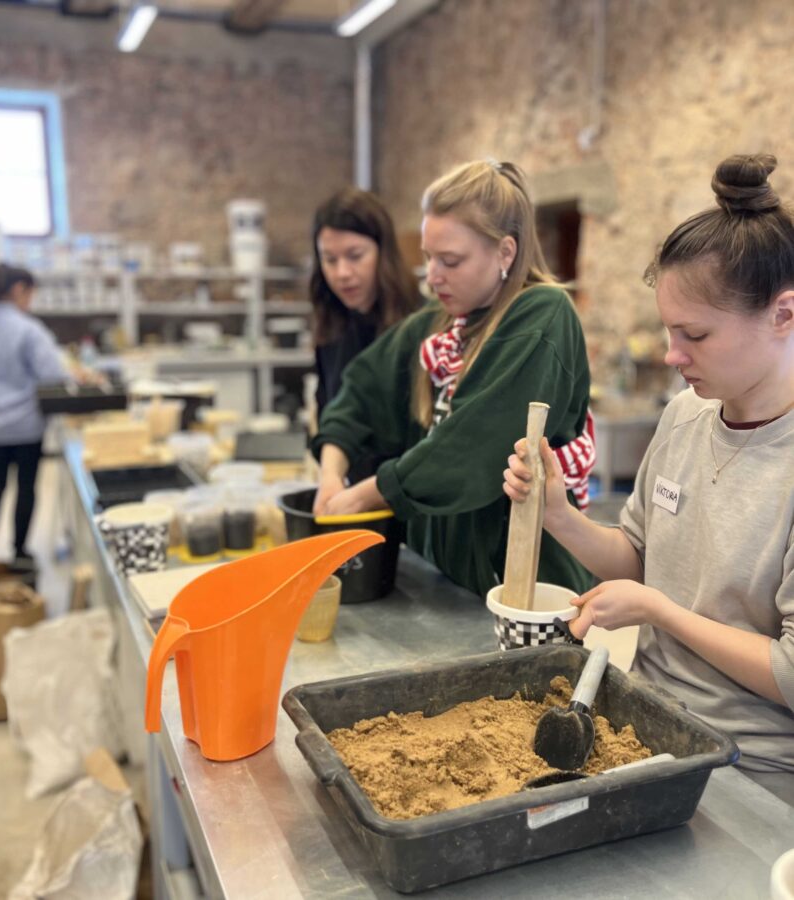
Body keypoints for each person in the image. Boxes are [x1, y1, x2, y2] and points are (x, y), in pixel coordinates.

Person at [504, 153, 794, 781]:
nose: (671, 355)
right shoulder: (686, 414)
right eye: (668, 332)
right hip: (646, 722)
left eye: (696, 336)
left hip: (752, 764)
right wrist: (558, 515)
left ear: (783, 314)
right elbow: (639, 558)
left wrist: (660, 611)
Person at [313, 159, 594, 597]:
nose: (433, 277)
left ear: (505, 252)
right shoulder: (441, 321)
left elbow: (472, 445)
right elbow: (361, 390)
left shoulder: (541, 317)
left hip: (523, 587)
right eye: (429, 258)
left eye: (451, 261)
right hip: (449, 581)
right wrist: (332, 472)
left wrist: (366, 494)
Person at [0, 263, 70, 569]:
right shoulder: (27, 329)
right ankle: (20, 551)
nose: (30, 301)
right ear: (19, 289)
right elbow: (53, 374)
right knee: (25, 485)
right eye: (30, 294)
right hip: (25, 423)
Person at [309, 187, 424, 483]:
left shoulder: (420, 324)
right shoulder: (332, 322)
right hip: (349, 489)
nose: (342, 273)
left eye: (355, 256)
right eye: (329, 259)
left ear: (383, 252)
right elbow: (328, 410)